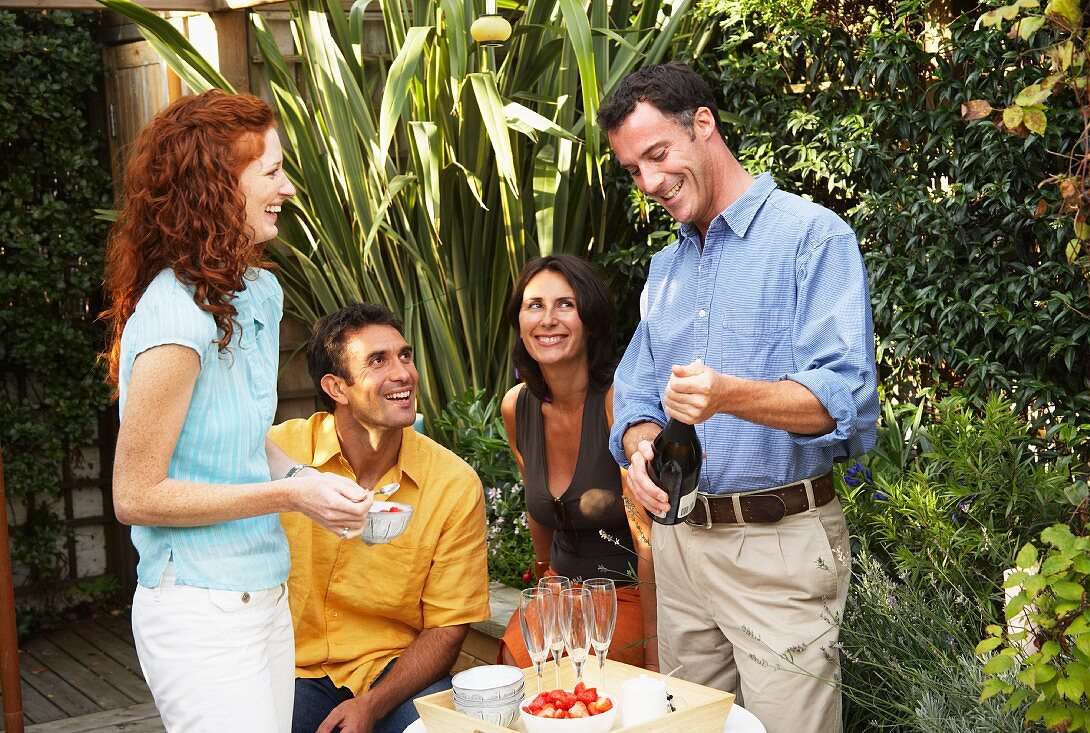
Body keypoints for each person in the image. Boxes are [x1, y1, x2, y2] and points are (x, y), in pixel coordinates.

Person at [599, 62, 879, 733]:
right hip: (682, 549)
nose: (650, 184)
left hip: (777, 548)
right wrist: (639, 451)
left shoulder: (812, 237)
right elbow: (634, 394)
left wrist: (728, 394)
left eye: (658, 156)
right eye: (634, 170)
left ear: (704, 125)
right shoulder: (665, 268)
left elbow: (845, 401)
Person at [102, 90, 372, 732]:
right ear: (217, 185)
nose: (288, 187)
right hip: (198, 609)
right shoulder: (173, 319)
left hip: (264, 593)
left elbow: (245, 443)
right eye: (272, 171)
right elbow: (136, 496)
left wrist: (305, 480)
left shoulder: (257, 292)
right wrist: (290, 499)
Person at [268, 302, 490, 733]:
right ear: (337, 387)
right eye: (377, 361)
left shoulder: (454, 484)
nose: (403, 373)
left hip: (394, 674)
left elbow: (447, 630)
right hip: (291, 668)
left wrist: (370, 705)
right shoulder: (282, 454)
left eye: (404, 355)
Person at [498, 254, 659, 672]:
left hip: (626, 593)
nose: (548, 319)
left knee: (579, 683)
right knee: (515, 672)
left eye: (565, 304)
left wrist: (656, 648)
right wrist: (540, 585)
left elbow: (648, 542)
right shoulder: (517, 406)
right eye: (535, 305)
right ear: (519, 321)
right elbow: (541, 515)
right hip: (559, 589)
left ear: (592, 319)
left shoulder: (616, 402)